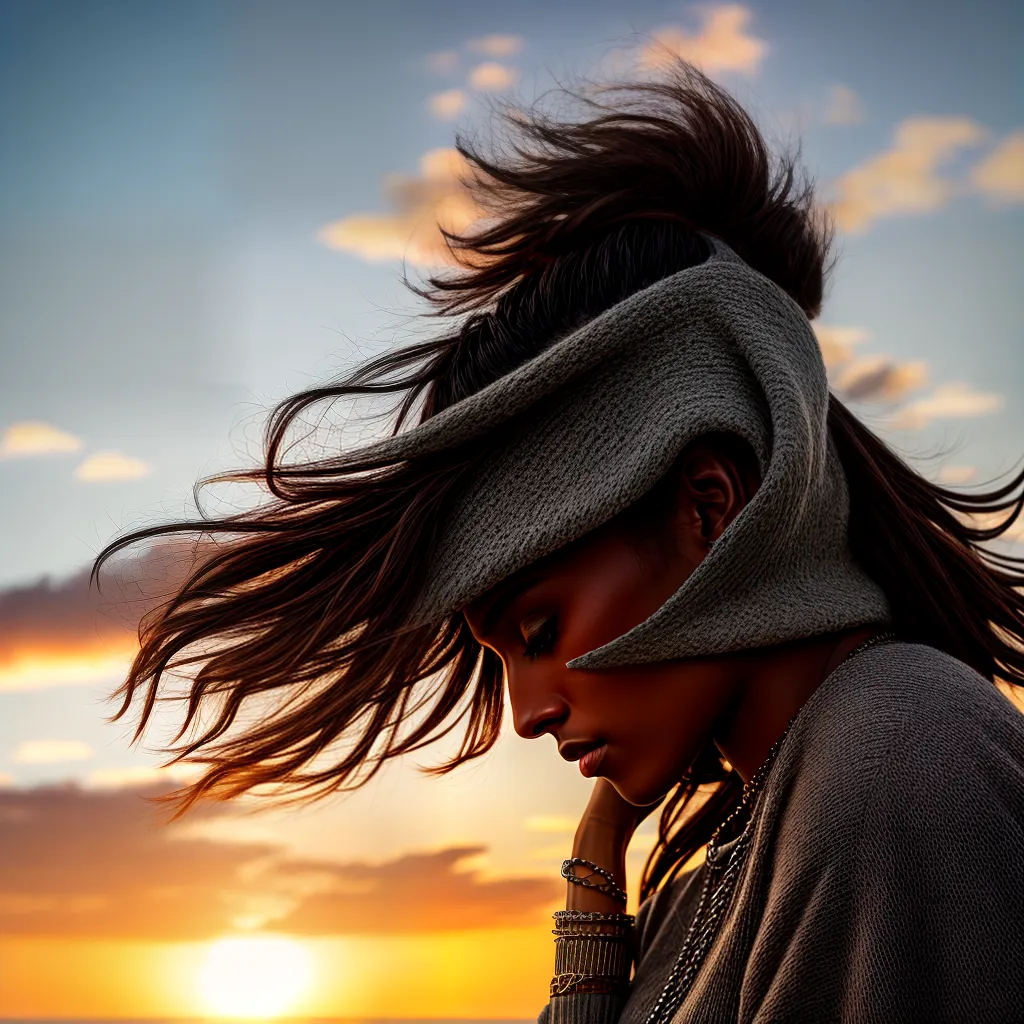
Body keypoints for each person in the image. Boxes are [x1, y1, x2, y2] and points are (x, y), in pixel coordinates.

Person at [93, 60, 1024, 1022]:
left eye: (537, 632)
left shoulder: (899, 766)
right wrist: (592, 875)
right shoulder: (731, 848)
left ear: (711, 507)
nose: (528, 712)